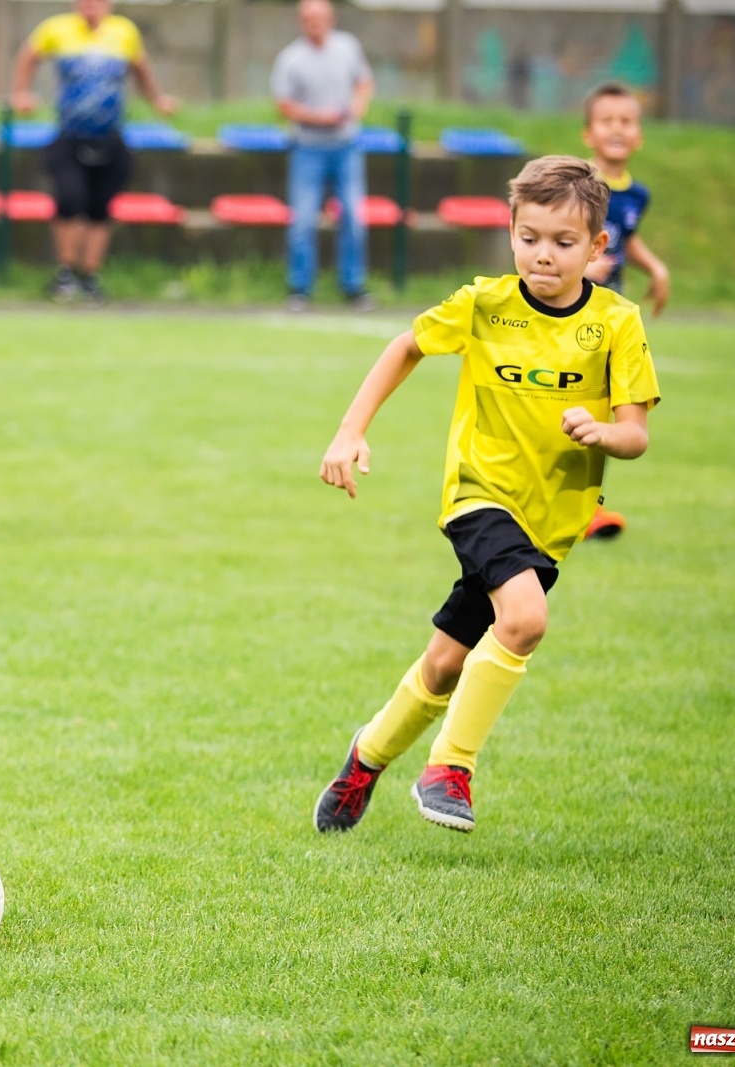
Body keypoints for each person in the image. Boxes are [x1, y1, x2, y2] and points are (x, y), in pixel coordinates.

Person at [312, 156, 660, 835]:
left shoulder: (617, 323)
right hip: (480, 495)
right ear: (511, 231)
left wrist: (605, 430)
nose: (543, 255)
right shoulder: (484, 304)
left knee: (445, 664)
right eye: (529, 237)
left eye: (564, 242)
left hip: (551, 522)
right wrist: (350, 430)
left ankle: (366, 757)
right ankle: (450, 767)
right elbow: (406, 346)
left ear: (597, 247)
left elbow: (637, 434)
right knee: (524, 620)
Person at [11, 0, 176, 304]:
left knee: (101, 206)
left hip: (110, 137)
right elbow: (28, 56)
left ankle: (90, 276)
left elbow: (141, 68)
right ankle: (66, 272)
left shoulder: (124, 32)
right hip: (70, 134)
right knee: (70, 198)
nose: (90, 6)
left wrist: (157, 99)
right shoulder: (56, 29)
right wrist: (21, 93)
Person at [580, 82, 671, 540]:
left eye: (627, 121)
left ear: (639, 135)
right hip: (570, 313)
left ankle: (586, 506)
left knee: (605, 412)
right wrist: (582, 268)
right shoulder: (577, 186)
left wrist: (654, 266)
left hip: (610, 320)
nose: (617, 129)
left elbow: (626, 237)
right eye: (607, 121)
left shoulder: (636, 195)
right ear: (588, 133)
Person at [271, 0, 374, 312]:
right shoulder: (291, 58)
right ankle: (299, 289)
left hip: (346, 146)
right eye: (308, 19)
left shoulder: (348, 47)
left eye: (319, 18)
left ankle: (353, 286)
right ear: (301, 22)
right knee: (302, 219)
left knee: (354, 218)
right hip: (308, 147)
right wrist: (319, 117)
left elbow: (364, 83)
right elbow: (283, 105)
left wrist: (356, 108)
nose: (314, 24)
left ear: (330, 18)